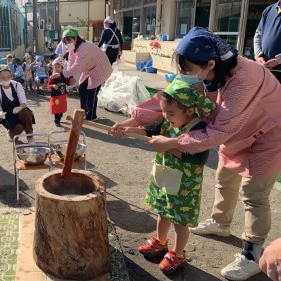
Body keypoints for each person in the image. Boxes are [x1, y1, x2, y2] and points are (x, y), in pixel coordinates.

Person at [111, 27, 281, 281]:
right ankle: (221, 223)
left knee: (254, 194)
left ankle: (252, 253)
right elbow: (167, 99)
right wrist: (130, 122)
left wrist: (172, 141)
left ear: (210, 63)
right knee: (225, 178)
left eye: (187, 69)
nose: (183, 75)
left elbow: (216, 132)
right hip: (234, 131)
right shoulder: (204, 71)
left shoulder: (245, 79)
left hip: (268, 133)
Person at [115, 79, 215, 274]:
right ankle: (160, 242)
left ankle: (178, 253)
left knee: (179, 220)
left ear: (189, 111)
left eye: (171, 113)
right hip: (165, 176)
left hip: (185, 185)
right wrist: (130, 131)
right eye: (164, 112)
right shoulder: (169, 119)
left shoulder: (198, 128)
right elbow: (152, 131)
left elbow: (199, 159)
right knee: (162, 211)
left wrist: (169, 146)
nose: (166, 117)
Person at [50, 29, 112, 120]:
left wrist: (60, 75)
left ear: (75, 38)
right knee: (82, 88)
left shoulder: (83, 48)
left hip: (101, 69)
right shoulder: (73, 46)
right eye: (65, 42)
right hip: (90, 69)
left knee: (91, 93)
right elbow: (71, 61)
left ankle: (91, 116)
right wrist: (70, 76)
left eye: (69, 41)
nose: (67, 44)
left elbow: (77, 67)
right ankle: (83, 113)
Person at [0, 65, 35, 144]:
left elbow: (24, 102)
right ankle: (11, 133)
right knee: (19, 127)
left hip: (20, 111)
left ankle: (30, 137)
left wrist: (19, 107)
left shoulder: (17, 85)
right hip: (7, 116)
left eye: (8, 77)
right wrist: (0, 114)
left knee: (26, 112)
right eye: (3, 78)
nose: (6, 79)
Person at [254, 1, 281, 83]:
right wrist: (258, 56)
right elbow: (258, 35)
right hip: (265, 72)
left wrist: (278, 60)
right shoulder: (269, 10)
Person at [47, 58, 70, 127]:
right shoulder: (52, 77)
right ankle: (57, 120)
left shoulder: (64, 77)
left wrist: (71, 80)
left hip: (62, 95)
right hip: (55, 96)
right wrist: (53, 85)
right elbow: (48, 85)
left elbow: (68, 83)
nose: (57, 68)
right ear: (53, 68)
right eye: (55, 67)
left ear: (62, 68)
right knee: (56, 108)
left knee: (62, 107)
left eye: (58, 67)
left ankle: (60, 115)